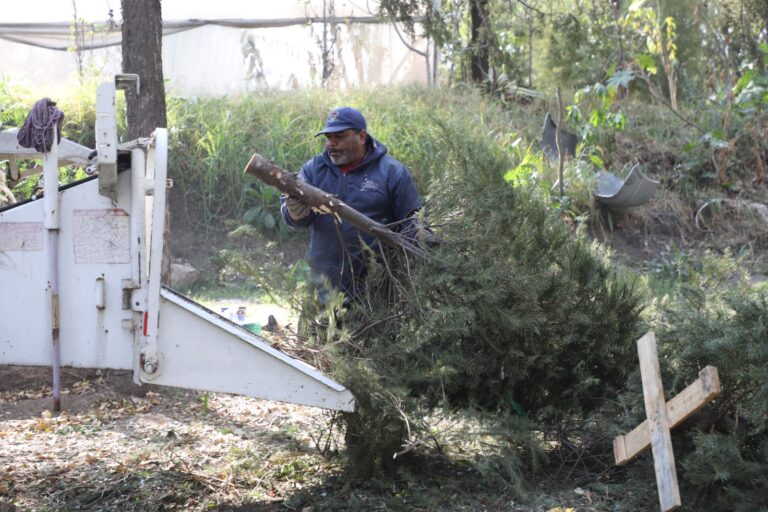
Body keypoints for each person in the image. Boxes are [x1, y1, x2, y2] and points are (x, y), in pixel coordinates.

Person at [280, 106, 421, 303]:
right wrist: (293, 210)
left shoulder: (392, 173)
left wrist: (424, 241)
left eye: (339, 136)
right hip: (323, 288)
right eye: (328, 137)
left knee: (373, 334)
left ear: (362, 136)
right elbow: (297, 221)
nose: (332, 144)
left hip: (376, 291)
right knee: (317, 334)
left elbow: (413, 221)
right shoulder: (313, 170)